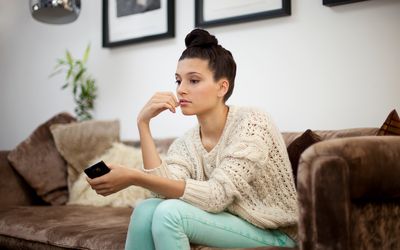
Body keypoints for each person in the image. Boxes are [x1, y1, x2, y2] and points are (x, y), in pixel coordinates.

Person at [87, 28, 298, 250]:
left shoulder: (253, 122)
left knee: (171, 214)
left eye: (194, 81)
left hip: (275, 233)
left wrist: (134, 176)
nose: (181, 90)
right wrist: (143, 124)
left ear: (222, 87)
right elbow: (161, 193)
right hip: (228, 223)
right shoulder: (186, 143)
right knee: (146, 209)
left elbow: (217, 195)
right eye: (178, 81)